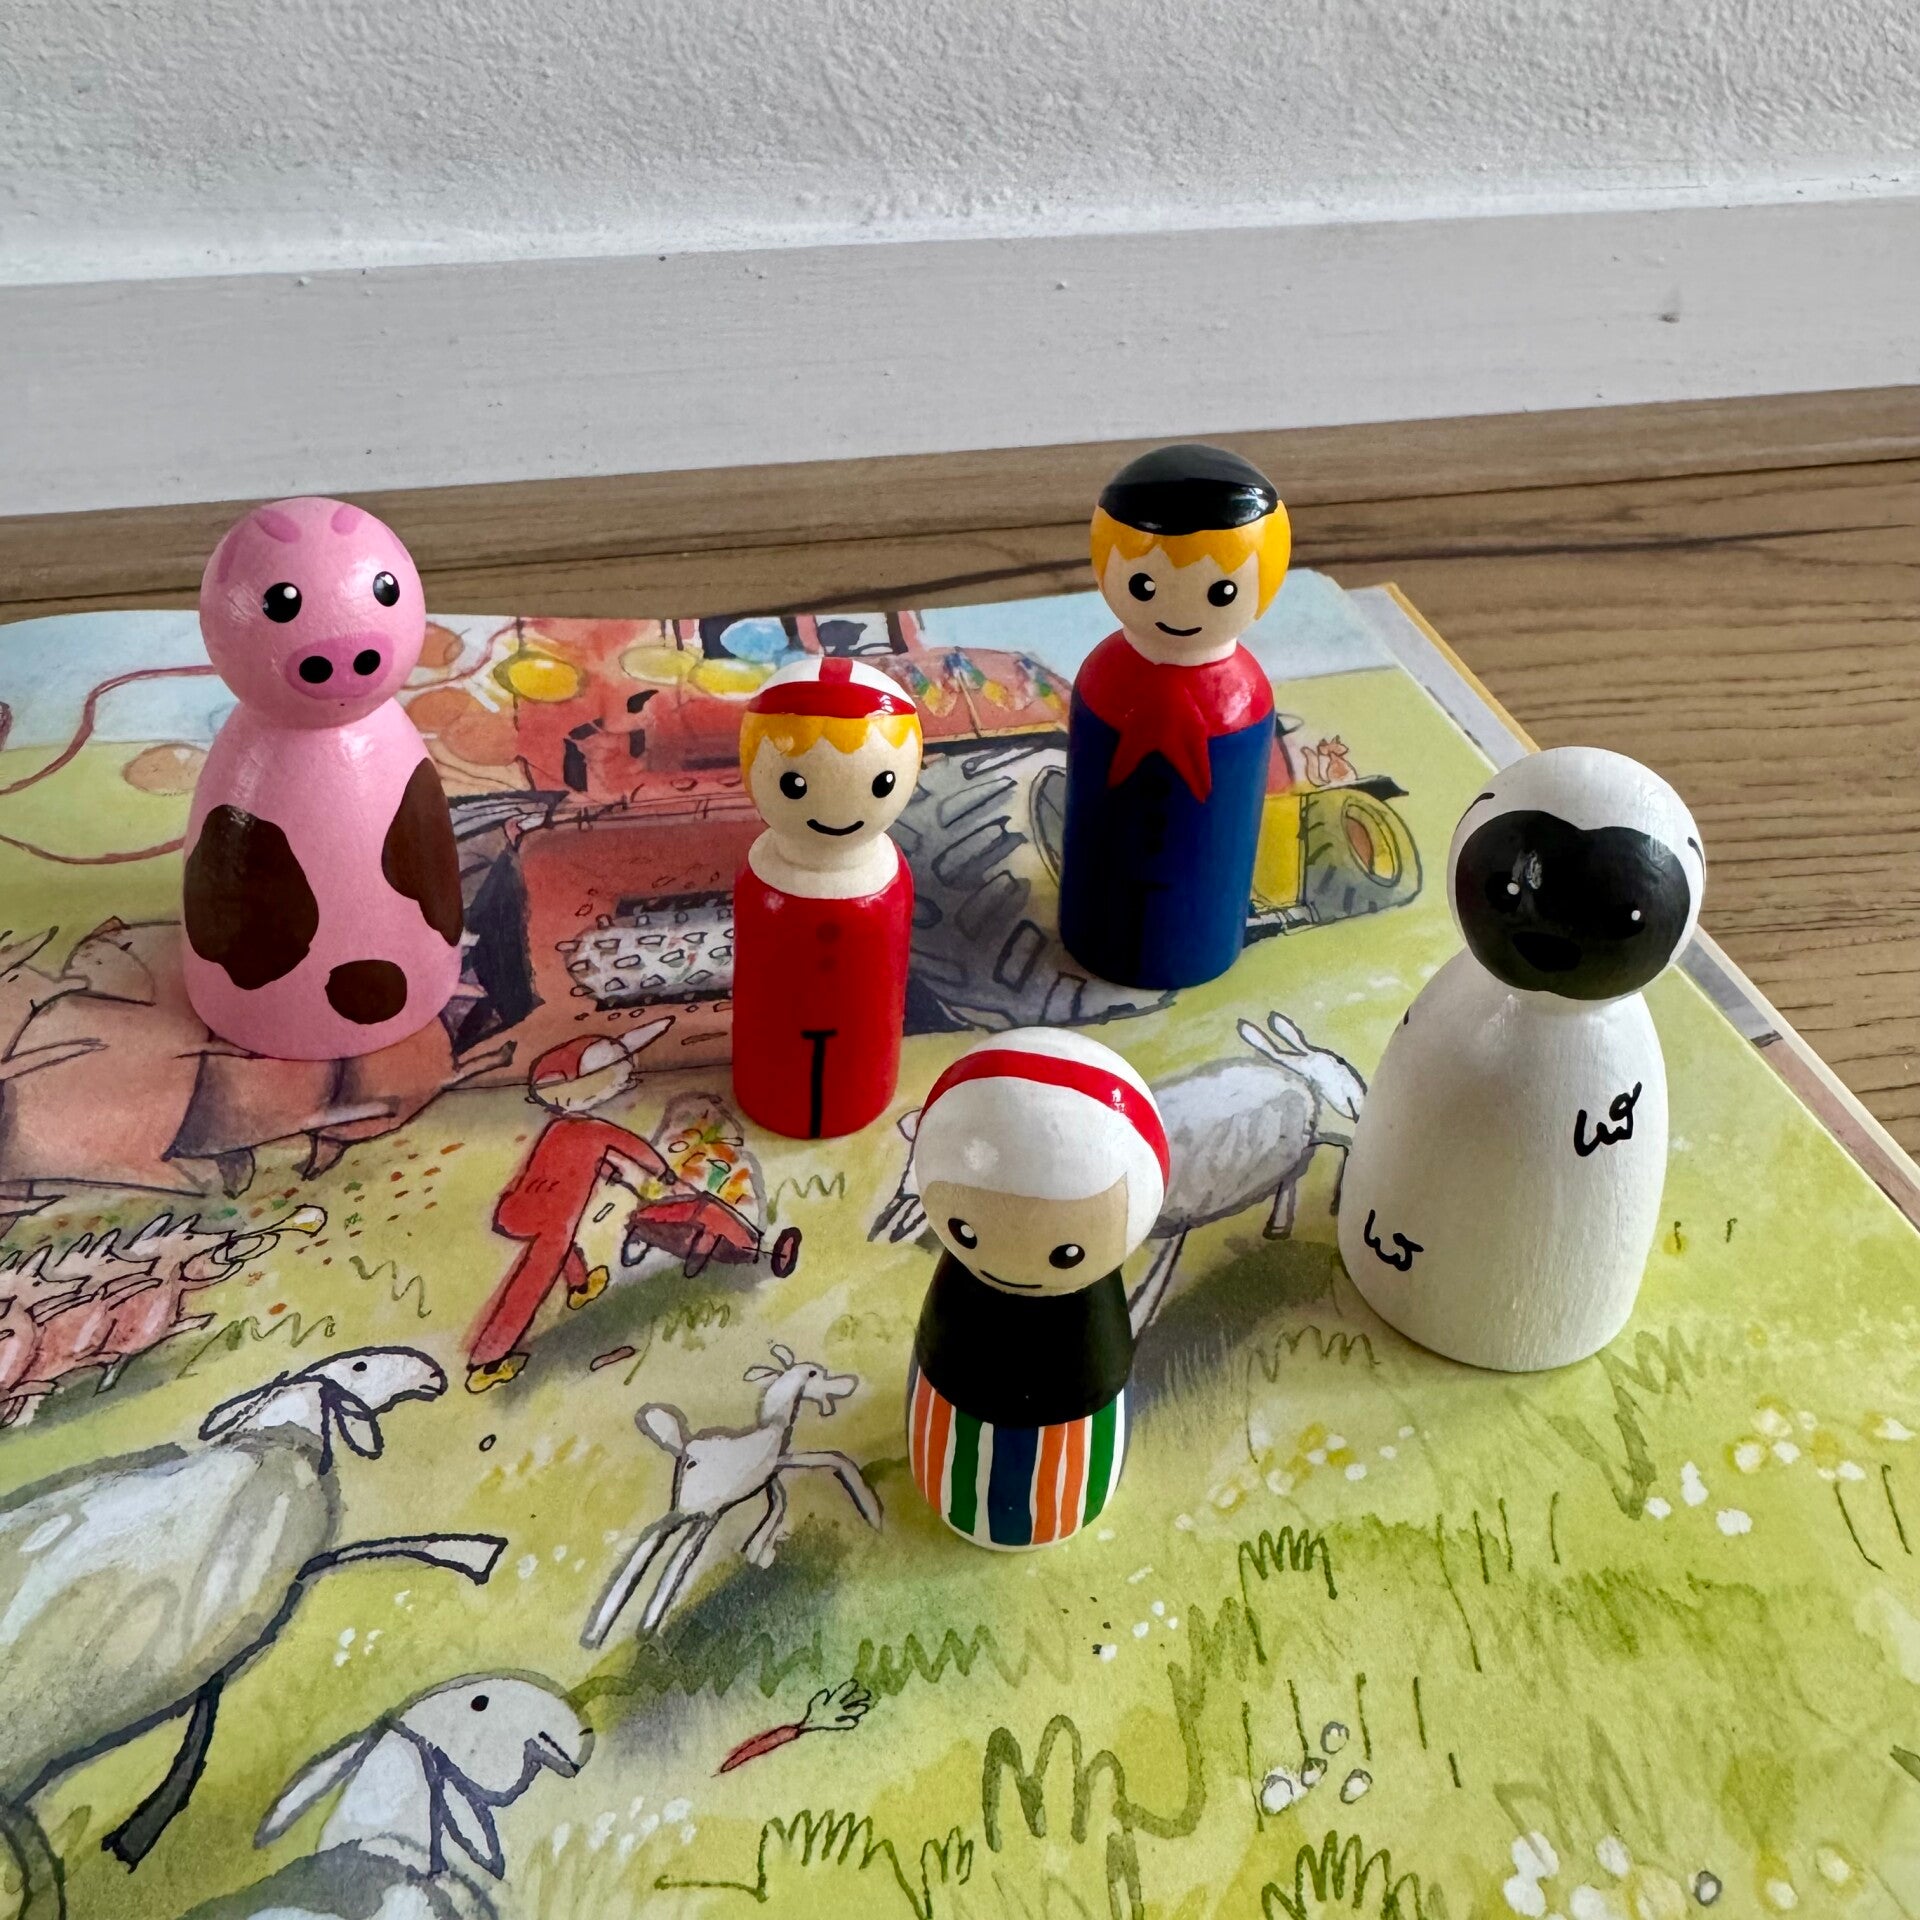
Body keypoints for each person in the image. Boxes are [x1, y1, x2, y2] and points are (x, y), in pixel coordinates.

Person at [905, 1027, 1168, 1549]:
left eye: (1067, 1253)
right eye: (966, 1232)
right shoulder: (966, 1279)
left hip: (1076, 1398)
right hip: (956, 1383)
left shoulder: (1091, 1301)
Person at [1058, 442, 1291, 989]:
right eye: (1144, 585)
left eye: (1222, 591)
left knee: (1210, 870)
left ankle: (1190, 944)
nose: (1180, 611)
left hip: (1203, 922)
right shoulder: (1105, 678)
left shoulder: (1242, 694)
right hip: (1097, 913)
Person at [731, 658, 923, 1139]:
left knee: (857, 1063)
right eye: (793, 785)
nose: (837, 816)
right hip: (771, 1058)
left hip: (860, 1054)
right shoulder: (764, 883)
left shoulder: (887, 880)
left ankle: (855, 1097)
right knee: (776, 1062)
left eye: (882, 782)